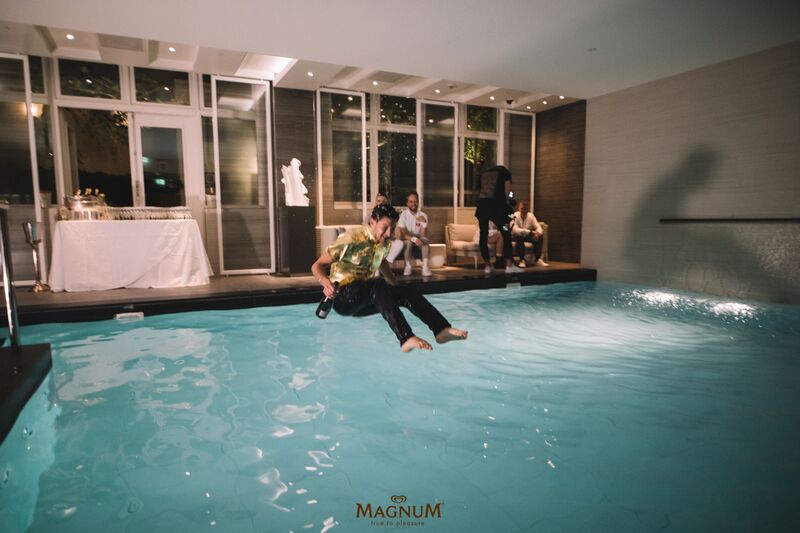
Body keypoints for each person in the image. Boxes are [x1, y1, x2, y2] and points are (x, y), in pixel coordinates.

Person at [311, 203, 467, 352]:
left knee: (406, 290)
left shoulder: (384, 243)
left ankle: (441, 330)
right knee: (378, 284)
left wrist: (396, 287)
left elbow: (381, 262)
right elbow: (317, 265)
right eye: (385, 227)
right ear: (373, 222)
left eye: (392, 228)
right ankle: (406, 338)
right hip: (343, 298)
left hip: (365, 298)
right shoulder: (351, 238)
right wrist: (326, 283)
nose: (388, 233)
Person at [474, 165, 522, 274]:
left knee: (483, 236)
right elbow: (508, 190)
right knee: (506, 233)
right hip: (498, 209)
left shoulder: (483, 174)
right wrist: (511, 199)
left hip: (482, 209)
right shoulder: (505, 173)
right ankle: (509, 266)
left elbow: (479, 192)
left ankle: (487, 266)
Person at [397, 191, 432, 277]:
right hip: (406, 238)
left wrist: (424, 223)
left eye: (415, 201)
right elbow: (403, 234)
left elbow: (423, 235)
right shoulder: (403, 215)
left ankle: (425, 267)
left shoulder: (423, 215)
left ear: (418, 202)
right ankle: (408, 266)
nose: (413, 204)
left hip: (418, 237)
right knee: (409, 242)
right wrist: (414, 239)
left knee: (425, 240)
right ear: (407, 203)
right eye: (411, 201)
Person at [364, 192, 403, 263]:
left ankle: (386, 262)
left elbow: (397, 234)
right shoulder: (370, 217)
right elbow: (365, 230)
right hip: (373, 242)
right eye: (379, 201)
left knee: (399, 243)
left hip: (386, 241)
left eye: (383, 201)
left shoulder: (391, 217)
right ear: (376, 202)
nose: (381, 203)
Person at [511, 201, 549, 267]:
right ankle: (522, 260)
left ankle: (537, 259)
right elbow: (515, 229)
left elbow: (538, 227)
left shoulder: (531, 216)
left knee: (539, 237)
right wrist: (529, 232)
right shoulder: (515, 215)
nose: (523, 210)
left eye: (525, 209)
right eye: (522, 209)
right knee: (519, 237)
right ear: (519, 208)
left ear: (528, 209)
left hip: (527, 235)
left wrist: (538, 234)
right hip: (516, 235)